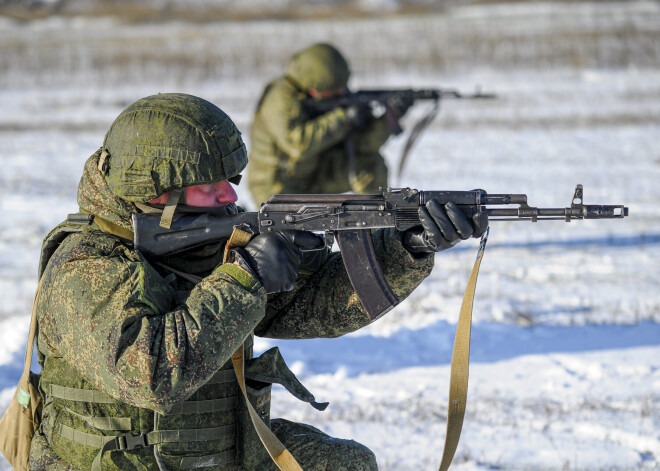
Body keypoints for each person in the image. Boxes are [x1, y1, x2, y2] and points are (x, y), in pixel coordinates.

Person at [29, 93, 487, 471]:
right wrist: (246, 278)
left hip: (222, 445)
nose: (230, 195)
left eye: (231, 180)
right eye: (211, 186)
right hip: (120, 461)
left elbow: (310, 306)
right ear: (155, 193)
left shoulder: (207, 235)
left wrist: (404, 248)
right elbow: (151, 377)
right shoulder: (84, 267)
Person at [247, 43, 413, 206]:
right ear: (314, 88)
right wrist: (342, 118)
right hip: (278, 186)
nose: (341, 94)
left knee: (370, 165)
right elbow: (297, 145)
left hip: (317, 174)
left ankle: (377, 227)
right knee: (290, 233)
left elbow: (363, 145)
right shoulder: (280, 99)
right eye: (333, 92)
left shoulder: (332, 97)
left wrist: (388, 119)